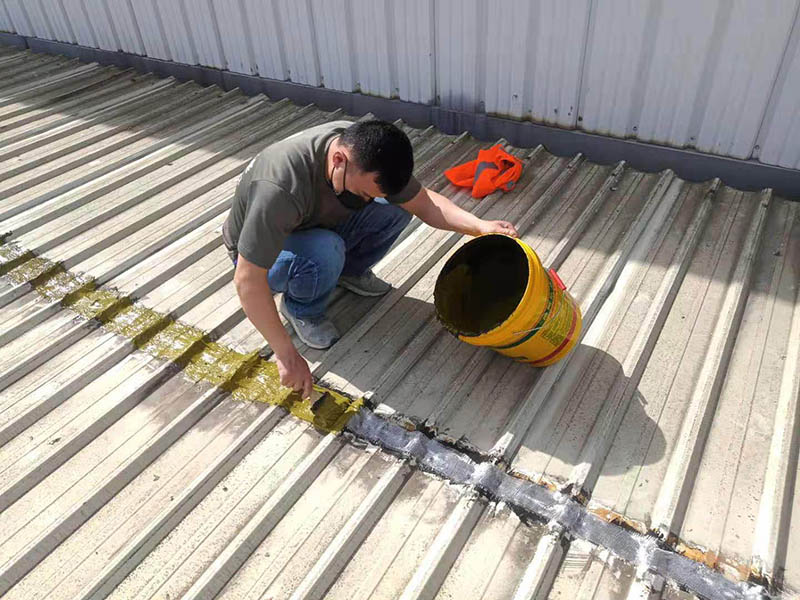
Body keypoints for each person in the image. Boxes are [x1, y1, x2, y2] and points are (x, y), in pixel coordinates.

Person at [224, 119, 518, 399]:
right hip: (260, 253)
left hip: (312, 223)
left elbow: (424, 204)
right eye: (362, 192)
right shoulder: (280, 186)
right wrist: (286, 355)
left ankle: (347, 272)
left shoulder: (366, 151)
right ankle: (301, 308)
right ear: (338, 160)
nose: (365, 201)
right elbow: (247, 281)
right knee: (326, 249)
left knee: (396, 207)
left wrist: (479, 226)